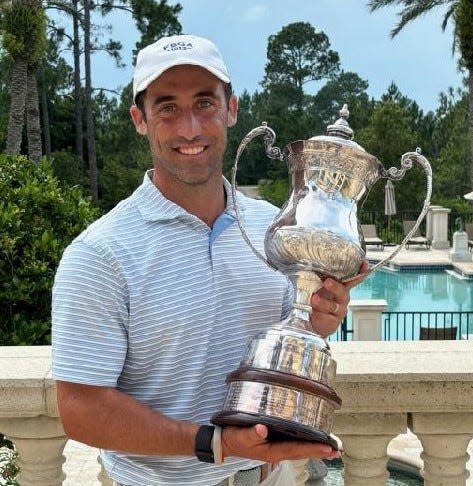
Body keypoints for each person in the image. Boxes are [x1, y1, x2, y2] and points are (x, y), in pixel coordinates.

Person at [52, 34, 367, 486]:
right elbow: (80, 408)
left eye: (204, 104)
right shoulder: (100, 253)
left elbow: (287, 338)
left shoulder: (277, 231)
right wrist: (214, 443)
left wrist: (317, 318)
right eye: (167, 108)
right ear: (139, 119)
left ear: (231, 109)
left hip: (273, 477)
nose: (190, 129)